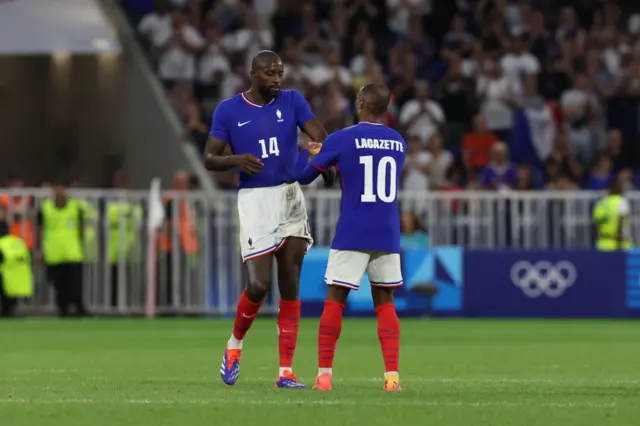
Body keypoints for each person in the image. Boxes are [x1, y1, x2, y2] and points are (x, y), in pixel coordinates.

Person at [204, 50, 332, 388]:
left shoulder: (291, 100)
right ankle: (234, 346)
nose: (277, 78)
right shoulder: (229, 110)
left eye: (280, 72)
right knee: (258, 285)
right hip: (255, 201)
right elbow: (209, 158)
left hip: (289, 197)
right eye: (270, 73)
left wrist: (321, 148)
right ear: (253, 74)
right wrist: (236, 159)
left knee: (290, 285)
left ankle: (285, 371)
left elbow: (316, 129)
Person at [293, 83, 406, 392]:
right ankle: (392, 378)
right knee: (385, 303)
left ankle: (324, 376)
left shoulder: (343, 138)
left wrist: (315, 154)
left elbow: (306, 177)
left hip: (353, 229)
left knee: (335, 299)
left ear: (359, 103)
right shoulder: (398, 142)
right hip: (386, 232)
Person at [36, 180, 89, 317]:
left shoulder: (75, 207)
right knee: (58, 284)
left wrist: (81, 245)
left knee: (75, 282)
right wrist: (39, 249)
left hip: (72, 251)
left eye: (63, 189)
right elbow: (39, 230)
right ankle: (63, 309)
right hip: (54, 252)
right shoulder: (45, 208)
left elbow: (81, 227)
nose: (60, 192)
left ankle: (78, 307)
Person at [0, 218, 34, 317]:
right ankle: (10, 309)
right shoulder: (18, 242)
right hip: (22, 281)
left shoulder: (1, 244)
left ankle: (6, 310)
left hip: (6, 281)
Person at [593, 177, 633, 251]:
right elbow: (620, 221)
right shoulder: (621, 201)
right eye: (619, 186)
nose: (622, 188)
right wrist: (619, 241)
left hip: (602, 244)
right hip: (619, 245)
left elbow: (597, 224)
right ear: (613, 188)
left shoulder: (600, 203)